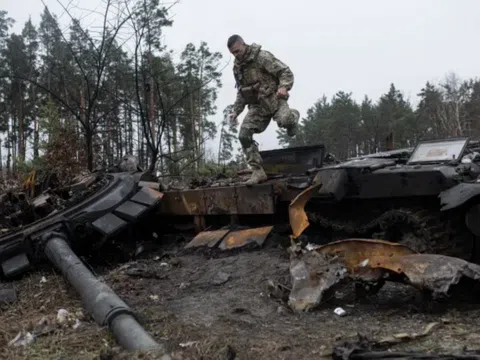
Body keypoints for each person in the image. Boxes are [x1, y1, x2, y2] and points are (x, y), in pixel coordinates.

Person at [227, 34, 300, 185]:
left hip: (274, 100)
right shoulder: (238, 68)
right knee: (244, 135)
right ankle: (257, 171)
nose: (236, 55)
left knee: (284, 120)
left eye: (237, 51)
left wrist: (283, 87)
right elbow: (242, 92)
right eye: (233, 53)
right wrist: (236, 111)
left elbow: (285, 72)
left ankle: (293, 117)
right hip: (257, 108)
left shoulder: (261, 57)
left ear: (244, 45)